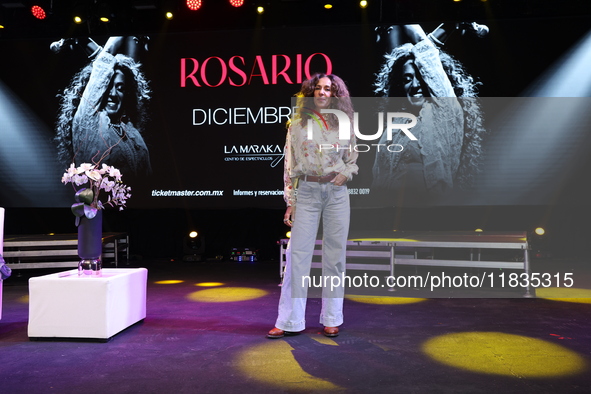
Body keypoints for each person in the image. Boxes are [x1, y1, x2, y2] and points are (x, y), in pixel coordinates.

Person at [267, 73, 358, 339]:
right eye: (317, 88)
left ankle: (331, 318)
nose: (322, 92)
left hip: (336, 192)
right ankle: (289, 320)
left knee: (334, 258)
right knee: (297, 257)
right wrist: (290, 201)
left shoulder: (344, 122)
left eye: (328, 89)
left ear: (335, 94)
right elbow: (289, 165)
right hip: (306, 191)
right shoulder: (297, 124)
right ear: (310, 93)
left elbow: (352, 157)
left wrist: (345, 173)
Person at [372, 24, 486, 199]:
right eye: (407, 79)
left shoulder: (444, 112)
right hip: (389, 217)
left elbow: (423, 46)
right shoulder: (396, 126)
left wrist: (400, 13)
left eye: (421, 77)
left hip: (429, 215)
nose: (415, 85)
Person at [55, 36, 152, 176]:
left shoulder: (132, 134)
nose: (113, 94)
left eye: (120, 88)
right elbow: (104, 63)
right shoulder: (88, 121)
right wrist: (123, 26)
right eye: (107, 87)